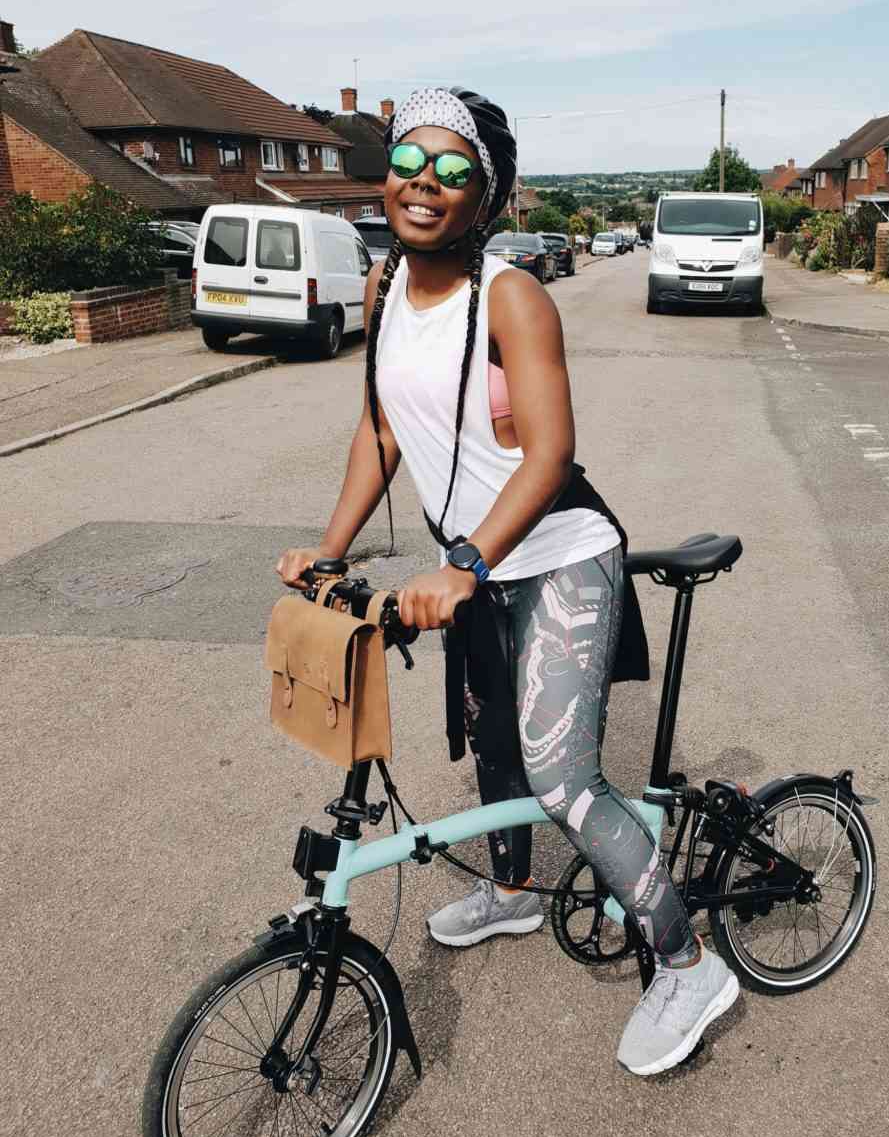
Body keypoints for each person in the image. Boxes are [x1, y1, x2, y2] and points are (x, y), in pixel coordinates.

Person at [276, 86, 738, 1076]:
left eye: (452, 170)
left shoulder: (511, 296)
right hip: (476, 569)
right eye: (409, 162)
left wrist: (466, 562)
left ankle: (687, 964)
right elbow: (382, 429)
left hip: (558, 554)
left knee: (563, 777)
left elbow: (550, 454)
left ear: (483, 195)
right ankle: (514, 895)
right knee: (492, 746)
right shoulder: (382, 289)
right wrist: (330, 551)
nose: (424, 184)